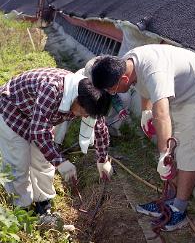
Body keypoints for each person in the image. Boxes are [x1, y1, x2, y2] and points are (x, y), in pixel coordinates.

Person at [91, 44, 195, 231]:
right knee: (174, 146)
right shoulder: (128, 62)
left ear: (123, 78)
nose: (112, 94)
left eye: (112, 89)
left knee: (188, 153)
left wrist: (163, 154)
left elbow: (162, 115)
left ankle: (179, 210)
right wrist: (146, 111)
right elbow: (146, 88)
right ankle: (169, 200)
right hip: (178, 93)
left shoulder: (154, 72)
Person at [0, 67, 111, 216]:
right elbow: (39, 132)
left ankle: (43, 203)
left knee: (42, 161)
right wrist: (61, 162)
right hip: (12, 111)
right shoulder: (52, 89)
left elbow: (100, 127)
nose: (84, 117)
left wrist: (102, 159)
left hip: (37, 115)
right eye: (83, 113)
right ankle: (22, 208)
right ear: (77, 100)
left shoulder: (93, 97)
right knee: (18, 164)